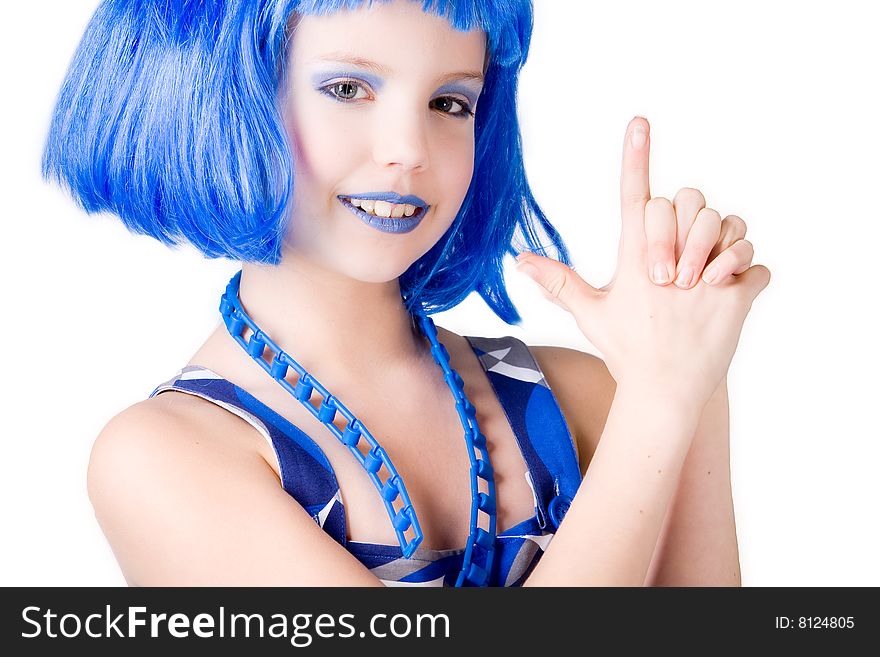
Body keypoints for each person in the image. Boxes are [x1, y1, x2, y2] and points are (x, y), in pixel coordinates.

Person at [42, 0, 770, 587]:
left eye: (451, 103)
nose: (410, 148)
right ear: (224, 95)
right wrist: (658, 404)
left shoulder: (596, 396)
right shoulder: (160, 461)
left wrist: (691, 368)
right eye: (349, 88)